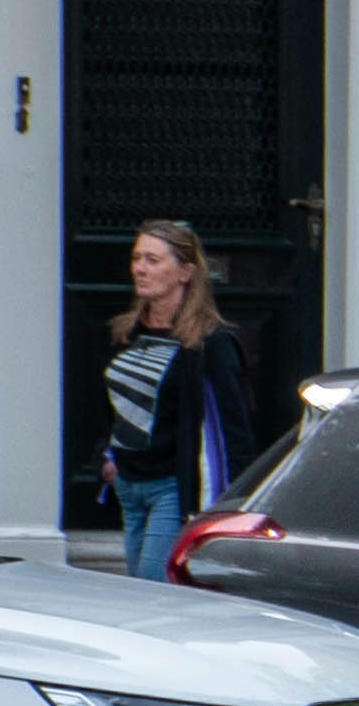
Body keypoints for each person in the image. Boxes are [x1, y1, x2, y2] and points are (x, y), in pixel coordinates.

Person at [100, 220, 252, 583]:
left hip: (172, 488)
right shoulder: (126, 333)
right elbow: (111, 407)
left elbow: (233, 430)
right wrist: (107, 460)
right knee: (138, 585)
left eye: (153, 259)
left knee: (153, 589)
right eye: (137, 258)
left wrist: (231, 506)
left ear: (185, 271)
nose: (140, 268)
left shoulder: (209, 343)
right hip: (127, 484)